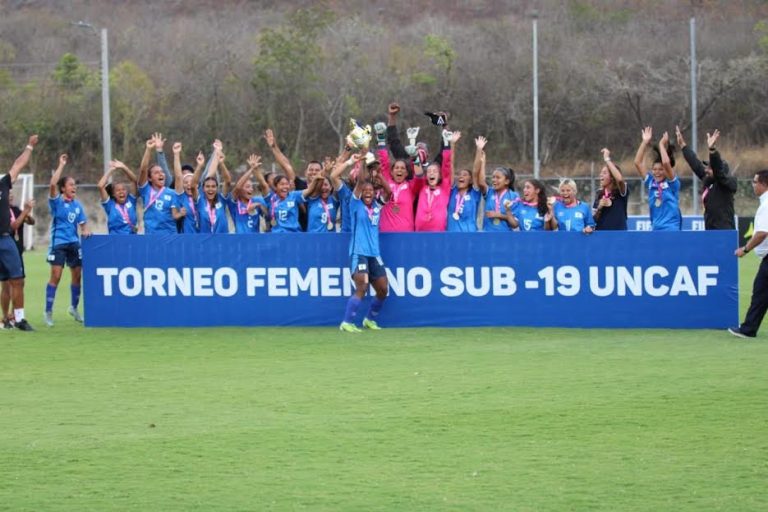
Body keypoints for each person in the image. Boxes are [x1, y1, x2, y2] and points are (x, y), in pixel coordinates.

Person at [339, 161, 392, 332]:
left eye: (371, 191)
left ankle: (369, 319)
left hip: (374, 254)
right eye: (365, 191)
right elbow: (361, 182)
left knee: (383, 289)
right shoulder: (355, 204)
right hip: (359, 252)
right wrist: (362, 160)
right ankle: (347, 322)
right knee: (362, 287)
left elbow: (389, 192)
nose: (368, 192)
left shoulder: (377, 206)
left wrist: (379, 175)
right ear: (360, 193)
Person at [45, 153, 91, 327]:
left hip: (74, 243)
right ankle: (48, 311)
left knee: (77, 276)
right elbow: (52, 184)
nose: (74, 187)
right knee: (56, 276)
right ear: (63, 188)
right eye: (71, 185)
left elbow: (83, 224)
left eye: (75, 185)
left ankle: (74, 308)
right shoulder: (56, 202)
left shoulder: (77, 205)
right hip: (58, 244)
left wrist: (86, 231)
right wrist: (61, 165)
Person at [0, 134, 38, 331]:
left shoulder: (3, 183)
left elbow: (18, 165)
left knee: (17, 279)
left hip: (5, 239)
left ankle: (20, 319)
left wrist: (29, 147)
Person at [729, 169, 768, 339]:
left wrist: (745, 249)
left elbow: (761, 233)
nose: (753, 185)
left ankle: (748, 329)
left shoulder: (766, 204)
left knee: (760, 292)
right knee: (761, 293)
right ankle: (749, 328)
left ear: (763, 184)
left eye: (755, 181)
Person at [676, 126, 737, 230]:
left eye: (710, 168)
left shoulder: (726, 183)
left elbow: (718, 171)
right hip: (710, 229)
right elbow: (696, 164)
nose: (706, 170)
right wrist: (683, 146)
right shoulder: (709, 180)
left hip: (724, 231)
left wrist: (712, 150)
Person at [633, 126, 681, 231]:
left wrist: (661, 145)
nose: (657, 172)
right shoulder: (651, 182)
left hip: (671, 228)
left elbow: (666, 163)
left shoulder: (673, 183)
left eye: (660, 169)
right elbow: (637, 163)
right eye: (654, 169)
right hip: (655, 228)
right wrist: (644, 142)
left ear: (666, 171)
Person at [1, 193, 35, 329]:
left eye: (11, 194)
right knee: (7, 285)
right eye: (7, 194)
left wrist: (27, 214)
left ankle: (14, 316)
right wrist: (26, 211)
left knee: (18, 283)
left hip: (16, 252)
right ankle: (6, 318)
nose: (10, 196)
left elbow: (31, 222)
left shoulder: (15, 210)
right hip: (6, 253)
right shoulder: (3, 211)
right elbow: (13, 227)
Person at [414, 130, 458, 232]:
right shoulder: (422, 187)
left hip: (438, 232)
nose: (431, 173)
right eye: (429, 171)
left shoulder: (444, 188)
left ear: (439, 175)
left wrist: (446, 145)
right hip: (420, 231)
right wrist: (415, 157)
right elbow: (418, 172)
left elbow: (447, 165)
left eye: (434, 171)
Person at [138, 133, 177, 234]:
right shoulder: (146, 190)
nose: (161, 174)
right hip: (151, 237)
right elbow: (143, 170)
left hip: (170, 236)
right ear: (149, 178)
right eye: (156, 173)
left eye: (162, 172)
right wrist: (148, 149)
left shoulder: (172, 193)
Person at [191, 141, 231, 234]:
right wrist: (199, 166)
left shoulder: (221, 199)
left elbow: (228, 181)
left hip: (222, 240)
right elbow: (193, 186)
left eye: (213, 186)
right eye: (207, 186)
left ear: (217, 188)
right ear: (203, 189)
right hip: (205, 240)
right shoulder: (200, 201)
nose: (210, 189)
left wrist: (221, 163)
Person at [479, 139, 519, 231]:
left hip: (505, 235)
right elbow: (481, 182)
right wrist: (483, 162)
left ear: (507, 181)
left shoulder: (514, 196)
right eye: (493, 177)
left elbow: (515, 224)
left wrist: (500, 215)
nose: (494, 180)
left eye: (498, 177)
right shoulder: (490, 192)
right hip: (488, 234)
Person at [447, 136, 484, 232]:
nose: (461, 176)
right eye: (459, 175)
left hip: (469, 236)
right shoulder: (452, 191)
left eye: (465, 175)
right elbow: (450, 165)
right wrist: (452, 144)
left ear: (470, 180)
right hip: (451, 235)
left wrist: (479, 149)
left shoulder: (474, 193)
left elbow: (475, 171)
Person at [227, 154, 269, 234]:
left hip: (255, 239)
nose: (251, 189)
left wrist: (260, 206)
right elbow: (237, 187)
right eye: (247, 187)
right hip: (240, 239)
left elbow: (269, 215)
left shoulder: (257, 200)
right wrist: (252, 169)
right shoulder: (234, 203)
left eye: (252, 186)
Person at [97, 160, 138, 234]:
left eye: (123, 189)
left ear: (127, 192)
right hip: (115, 239)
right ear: (113, 194)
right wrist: (111, 169)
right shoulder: (110, 205)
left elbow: (134, 180)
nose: (121, 192)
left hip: (132, 238)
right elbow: (100, 186)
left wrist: (123, 167)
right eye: (118, 190)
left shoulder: (131, 200)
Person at [171, 144, 205, 234]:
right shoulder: (181, 197)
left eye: (191, 182)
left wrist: (199, 166)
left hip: (203, 236)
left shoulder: (201, 197)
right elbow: (178, 177)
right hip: (187, 237)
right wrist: (176, 154)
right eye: (186, 182)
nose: (189, 184)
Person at [593, 148, 629, 230]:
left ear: (612, 177)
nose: (600, 175)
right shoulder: (599, 193)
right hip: (602, 234)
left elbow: (619, 179)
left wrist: (607, 159)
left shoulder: (621, 191)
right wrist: (599, 208)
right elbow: (594, 220)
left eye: (604, 173)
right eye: (601, 172)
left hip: (619, 234)